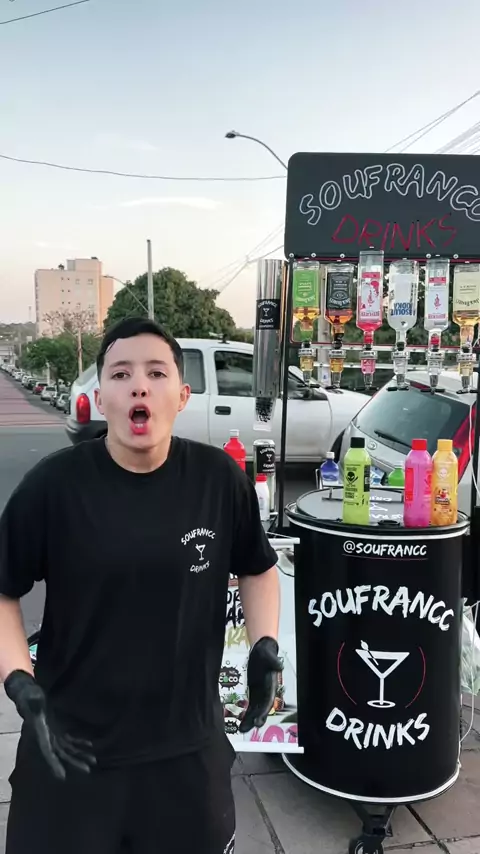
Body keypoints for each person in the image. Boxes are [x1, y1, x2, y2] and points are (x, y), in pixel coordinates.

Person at [0, 317, 282, 854]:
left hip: (187, 751)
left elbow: (258, 566)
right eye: (120, 373)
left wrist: (264, 645)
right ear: (100, 398)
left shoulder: (219, 479)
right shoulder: (53, 487)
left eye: (156, 372)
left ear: (182, 395)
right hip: (70, 749)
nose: (139, 385)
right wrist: (19, 682)